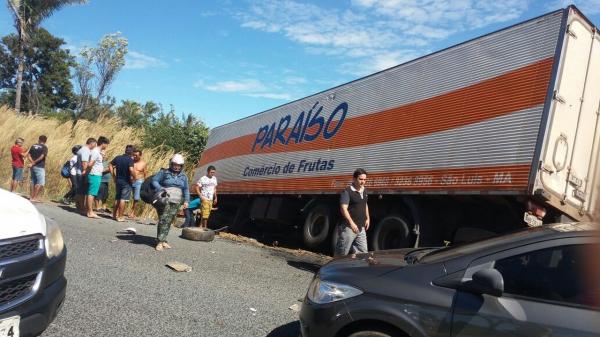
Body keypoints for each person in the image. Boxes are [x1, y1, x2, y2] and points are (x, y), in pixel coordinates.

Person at [151, 154, 190, 251]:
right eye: (175, 165)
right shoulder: (164, 172)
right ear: (171, 164)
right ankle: (159, 242)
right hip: (165, 200)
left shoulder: (183, 176)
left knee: (169, 221)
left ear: (182, 166)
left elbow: (186, 189)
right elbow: (154, 181)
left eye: (179, 165)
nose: (177, 167)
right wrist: (161, 188)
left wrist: (186, 201)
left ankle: (163, 240)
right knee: (163, 219)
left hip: (177, 201)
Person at [334, 168, 370, 257]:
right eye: (360, 179)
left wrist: (368, 218)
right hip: (349, 227)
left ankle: (356, 270)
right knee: (342, 252)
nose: (363, 182)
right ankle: (332, 269)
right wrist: (352, 223)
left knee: (363, 253)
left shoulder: (364, 190)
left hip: (361, 228)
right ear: (354, 179)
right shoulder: (347, 191)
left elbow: (365, 204)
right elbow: (343, 209)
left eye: (365, 179)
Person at [85, 136, 110, 218]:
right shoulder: (96, 151)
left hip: (95, 174)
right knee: (91, 194)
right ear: (103, 143)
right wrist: (89, 171)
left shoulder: (97, 151)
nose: (107, 146)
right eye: (106, 144)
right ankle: (90, 212)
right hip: (94, 174)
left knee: (91, 193)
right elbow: (90, 163)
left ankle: (89, 211)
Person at [110, 145, 135, 222]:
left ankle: (114, 215)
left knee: (117, 198)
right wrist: (135, 177)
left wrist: (113, 175)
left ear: (125, 150)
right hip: (126, 182)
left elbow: (110, 164)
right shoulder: (130, 160)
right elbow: (131, 170)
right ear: (132, 152)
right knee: (123, 199)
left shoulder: (118, 157)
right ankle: (120, 216)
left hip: (118, 180)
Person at [75, 138, 97, 212]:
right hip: (82, 173)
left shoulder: (82, 149)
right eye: (95, 144)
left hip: (78, 172)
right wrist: (85, 171)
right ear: (92, 143)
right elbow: (84, 162)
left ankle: (79, 206)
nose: (95, 146)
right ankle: (82, 208)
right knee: (82, 192)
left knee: (80, 190)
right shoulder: (86, 150)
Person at [27, 135, 48, 203]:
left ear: (39, 139)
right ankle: (34, 197)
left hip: (33, 167)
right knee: (41, 183)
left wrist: (32, 162)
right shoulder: (44, 147)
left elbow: (28, 155)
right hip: (40, 166)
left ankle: (31, 197)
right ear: (45, 141)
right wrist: (34, 163)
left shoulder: (33, 146)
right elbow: (42, 156)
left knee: (33, 181)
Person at [128, 149, 148, 218]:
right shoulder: (130, 161)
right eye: (133, 155)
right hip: (129, 180)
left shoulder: (143, 164)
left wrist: (145, 183)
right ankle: (121, 210)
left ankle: (133, 212)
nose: (134, 156)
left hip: (138, 181)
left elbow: (145, 173)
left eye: (136, 155)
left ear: (140, 155)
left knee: (136, 198)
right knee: (125, 196)